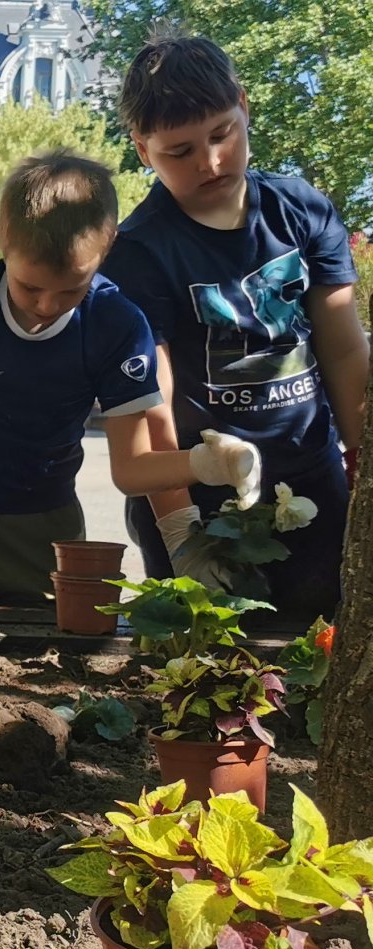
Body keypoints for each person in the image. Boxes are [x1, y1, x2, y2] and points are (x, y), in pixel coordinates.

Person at [0, 150, 262, 607]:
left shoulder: (117, 324)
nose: (46, 306)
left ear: (107, 249)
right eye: (30, 287)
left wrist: (206, 467)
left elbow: (131, 469)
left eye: (71, 289)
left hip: (50, 528)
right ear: (2, 237)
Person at [102, 35, 366, 617]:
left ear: (244, 106)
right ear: (142, 149)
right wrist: (179, 534)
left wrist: (362, 462)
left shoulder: (303, 209)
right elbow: (155, 405)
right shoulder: (138, 253)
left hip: (313, 484)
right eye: (180, 150)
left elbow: (344, 349)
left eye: (223, 133)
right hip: (201, 505)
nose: (211, 161)